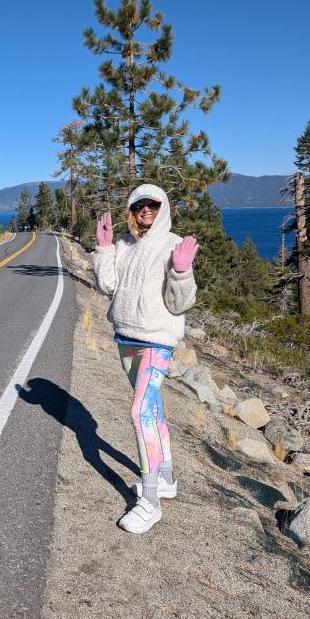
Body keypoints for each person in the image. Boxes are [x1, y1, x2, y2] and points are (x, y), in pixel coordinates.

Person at [92, 184, 199, 534]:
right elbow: (107, 286)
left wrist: (180, 272)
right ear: (132, 209)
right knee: (152, 409)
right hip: (125, 335)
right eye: (140, 205)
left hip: (157, 341)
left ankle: (150, 501)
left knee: (139, 411)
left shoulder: (172, 244)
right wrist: (105, 248)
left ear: (163, 207)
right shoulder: (124, 244)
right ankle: (166, 478)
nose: (146, 210)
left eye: (153, 204)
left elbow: (179, 303)